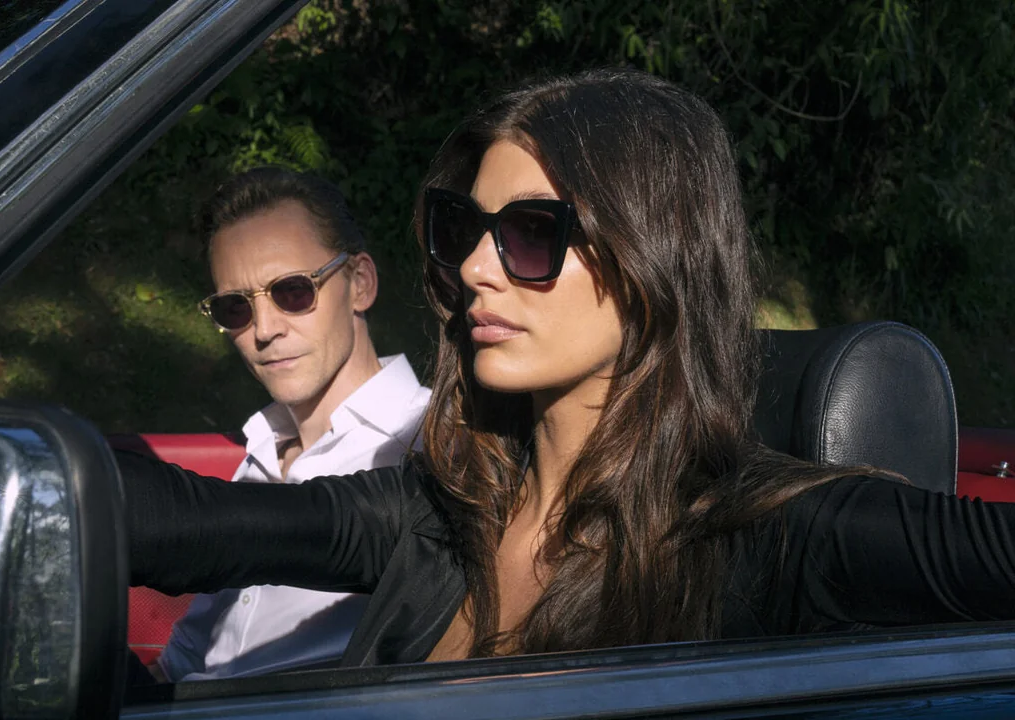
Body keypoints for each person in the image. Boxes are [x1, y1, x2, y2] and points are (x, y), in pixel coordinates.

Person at [119, 68, 1015, 670]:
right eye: (464, 230)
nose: (476, 267)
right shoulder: (440, 511)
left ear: (652, 254)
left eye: (531, 233)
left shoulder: (777, 535)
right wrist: (52, 481)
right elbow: (199, 524)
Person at [154, 168, 430, 680]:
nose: (263, 329)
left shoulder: (434, 448)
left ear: (360, 284)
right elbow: (183, 659)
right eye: (235, 307)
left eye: (293, 291)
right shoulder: (260, 451)